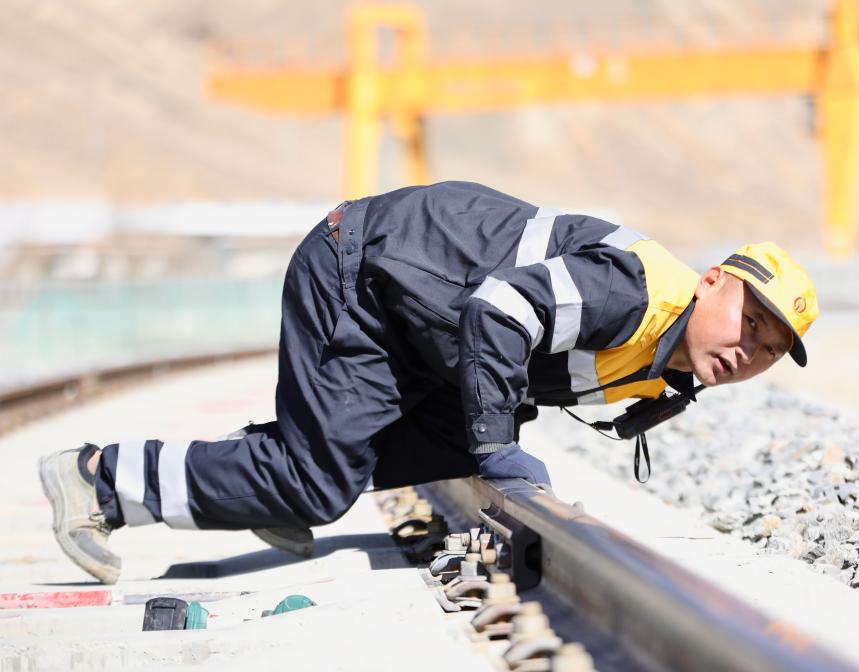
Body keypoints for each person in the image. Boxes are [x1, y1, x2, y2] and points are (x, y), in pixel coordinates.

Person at [38, 181, 819, 584]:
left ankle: (269, 477)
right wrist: (498, 447)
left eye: (769, 348)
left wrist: (491, 443)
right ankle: (99, 480)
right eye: (749, 319)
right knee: (319, 485)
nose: (748, 348)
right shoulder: (635, 293)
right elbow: (502, 309)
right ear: (711, 281)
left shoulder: (667, 365)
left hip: (421, 331)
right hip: (362, 275)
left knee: (444, 453)